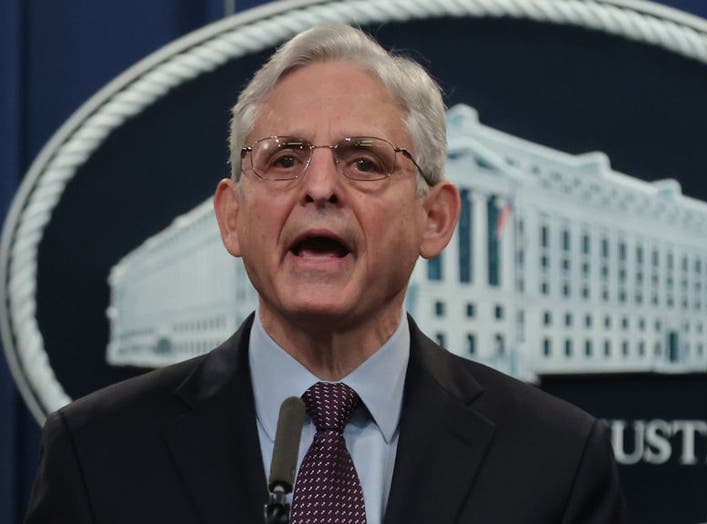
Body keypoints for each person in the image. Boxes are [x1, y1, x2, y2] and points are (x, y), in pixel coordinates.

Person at [25, 24, 626, 523]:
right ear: (232, 218)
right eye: (284, 160)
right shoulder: (96, 453)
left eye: (363, 161)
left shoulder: (558, 460)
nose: (319, 188)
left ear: (435, 219)